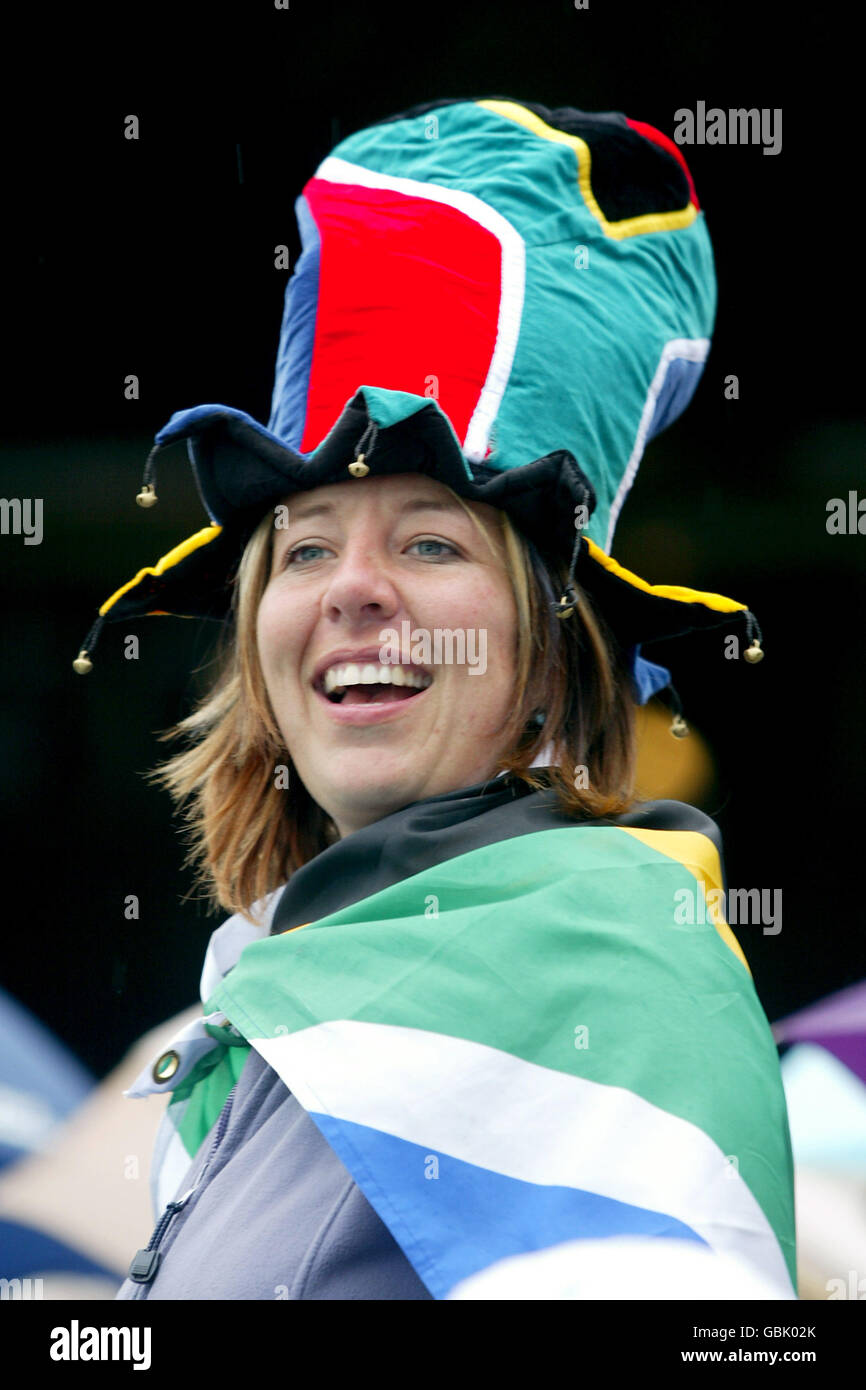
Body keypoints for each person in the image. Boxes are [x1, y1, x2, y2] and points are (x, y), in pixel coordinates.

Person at [74, 96, 796, 1300]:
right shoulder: (263, 997)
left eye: (428, 544)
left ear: (552, 656)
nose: (352, 590)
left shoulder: (616, 987)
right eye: (303, 550)